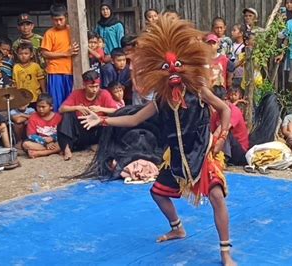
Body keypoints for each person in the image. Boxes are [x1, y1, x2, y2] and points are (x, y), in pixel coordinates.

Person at [79, 16, 235, 266]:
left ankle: (225, 253)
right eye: (166, 67)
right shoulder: (160, 100)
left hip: (202, 154)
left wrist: (222, 135)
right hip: (175, 159)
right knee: (157, 193)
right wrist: (104, 120)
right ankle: (177, 228)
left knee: (216, 197)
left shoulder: (198, 91)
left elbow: (224, 110)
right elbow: (134, 119)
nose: (172, 71)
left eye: (177, 66)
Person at [58, 70, 117, 161]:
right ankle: (66, 149)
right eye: (91, 87)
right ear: (84, 85)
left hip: (97, 128)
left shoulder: (104, 93)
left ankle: (99, 145)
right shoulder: (76, 93)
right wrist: (76, 107)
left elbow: (115, 111)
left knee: (112, 120)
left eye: (96, 86)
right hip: (81, 129)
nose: (94, 90)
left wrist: (100, 109)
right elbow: (61, 109)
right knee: (67, 115)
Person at [41, 4, 79, 112]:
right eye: (55, 20)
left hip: (71, 72)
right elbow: (45, 53)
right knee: (56, 102)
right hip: (55, 71)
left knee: (70, 102)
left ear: (66, 17)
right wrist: (65, 53)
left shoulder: (73, 30)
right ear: (51, 19)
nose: (58, 22)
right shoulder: (49, 33)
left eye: (61, 19)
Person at [211, 86, 249, 165]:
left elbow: (221, 129)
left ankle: (225, 159)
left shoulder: (234, 110)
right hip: (225, 147)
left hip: (240, 151)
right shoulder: (216, 113)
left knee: (224, 132)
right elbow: (211, 131)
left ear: (224, 99)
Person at [22, 94, 62, 158]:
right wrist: (45, 143)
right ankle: (54, 150)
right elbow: (31, 135)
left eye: (43, 107)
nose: (40, 109)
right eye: (38, 106)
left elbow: (61, 133)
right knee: (25, 144)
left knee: (63, 142)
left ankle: (40, 153)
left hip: (54, 142)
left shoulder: (58, 117)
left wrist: (52, 138)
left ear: (51, 107)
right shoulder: (33, 117)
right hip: (39, 142)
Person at [13, 42, 46, 106]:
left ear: (31, 55)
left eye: (26, 53)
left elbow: (41, 79)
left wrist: (44, 92)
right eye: (20, 54)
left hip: (35, 96)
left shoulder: (35, 66)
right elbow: (15, 82)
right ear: (17, 55)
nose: (23, 56)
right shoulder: (16, 67)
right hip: (21, 97)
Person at [229, 24, 245, 88]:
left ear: (241, 33)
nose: (232, 32)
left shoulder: (245, 46)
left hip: (242, 75)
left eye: (234, 30)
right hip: (233, 75)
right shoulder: (231, 45)